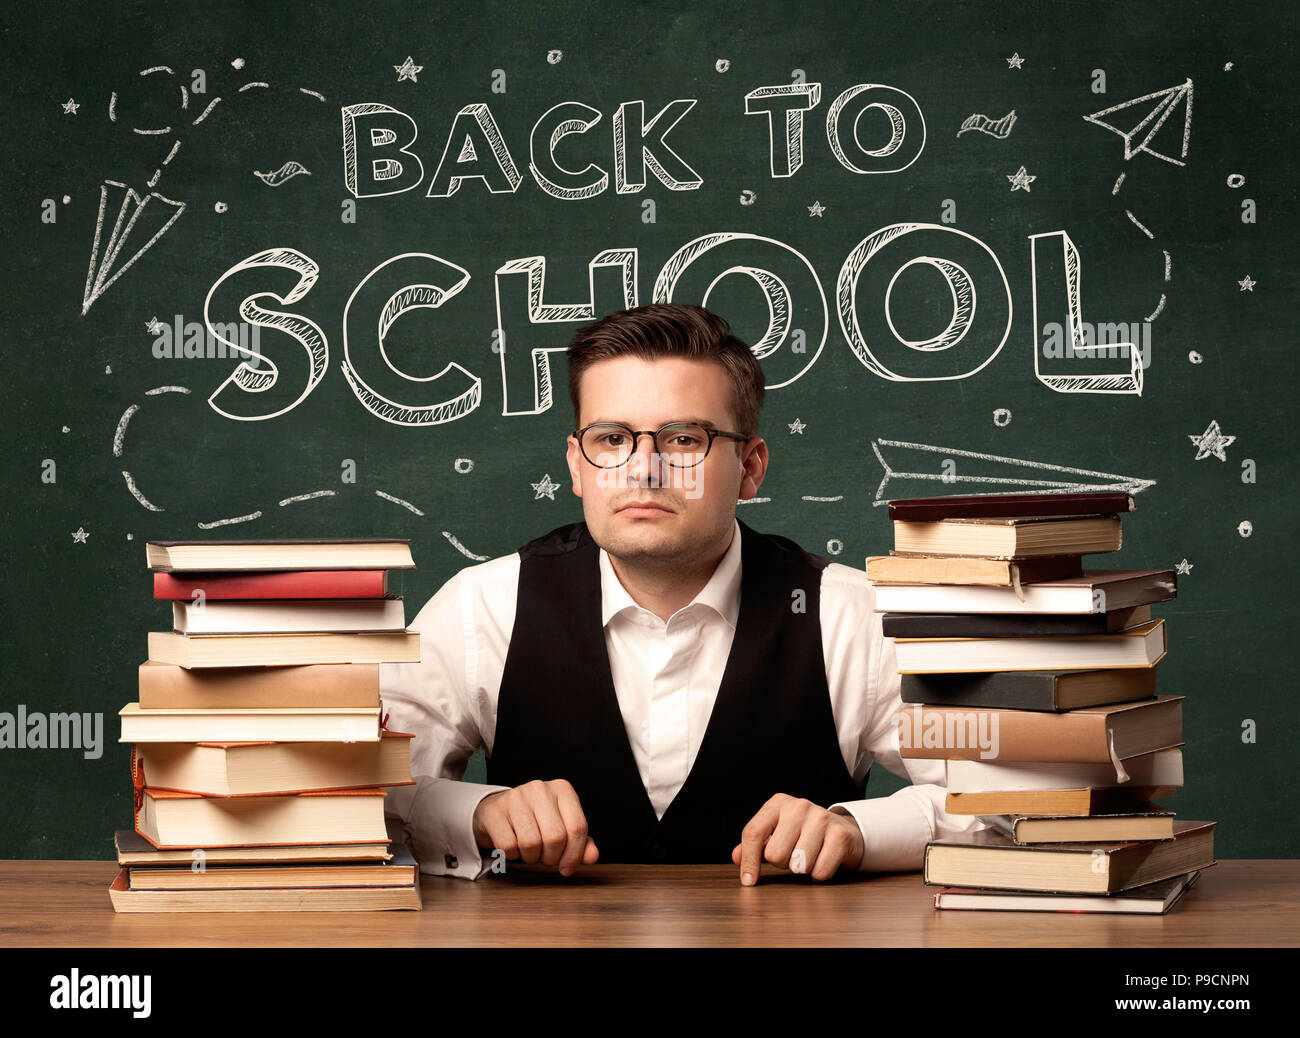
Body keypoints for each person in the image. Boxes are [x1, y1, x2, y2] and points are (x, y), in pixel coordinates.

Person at [380, 303, 986, 885]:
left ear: (750, 467)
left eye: (683, 439)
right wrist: (476, 815)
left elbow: (1002, 804)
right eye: (612, 438)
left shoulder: (853, 618)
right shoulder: (481, 608)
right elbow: (364, 795)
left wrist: (859, 830)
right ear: (575, 465)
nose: (643, 469)